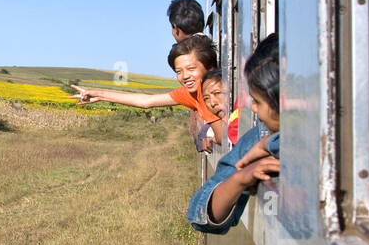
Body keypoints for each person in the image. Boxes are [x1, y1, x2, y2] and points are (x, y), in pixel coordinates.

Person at [187, 34, 280, 234]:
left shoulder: (262, 141)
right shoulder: (258, 137)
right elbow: (199, 212)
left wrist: (270, 144)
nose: (253, 108)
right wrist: (241, 178)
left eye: (258, 100)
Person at [71, 34, 223, 143]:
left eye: (191, 68)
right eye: (179, 71)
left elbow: (224, 136)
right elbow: (146, 101)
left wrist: (212, 137)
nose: (184, 76)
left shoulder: (212, 95)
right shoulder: (191, 93)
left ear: (210, 67)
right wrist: (98, 95)